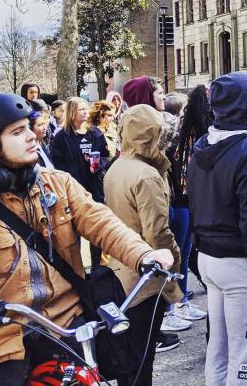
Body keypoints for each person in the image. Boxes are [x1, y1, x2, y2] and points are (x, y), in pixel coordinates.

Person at [0, 93, 174, 384]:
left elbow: (102, 223)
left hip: (65, 326)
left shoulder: (57, 183)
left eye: (28, 127)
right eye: (17, 132)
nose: (31, 136)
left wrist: (143, 253)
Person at [189, 72, 247, 386]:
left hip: (210, 259)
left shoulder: (203, 144)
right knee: (246, 359)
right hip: (243, 264)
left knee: (220, 349)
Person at [104, 105, 184, 386]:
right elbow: (158, 233)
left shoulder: (118, 166)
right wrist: (174, 263)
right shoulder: (146, 175)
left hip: (123, 268)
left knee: (131, 356)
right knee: (141, 358)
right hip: (145, 277)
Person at [164, 85, 208, 325]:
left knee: (185, 252)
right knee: (177, 254)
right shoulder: (176, 141)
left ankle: (181, 301)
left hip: (185, 202)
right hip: (178, 202)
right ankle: (173, 306)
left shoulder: (187, 137)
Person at [49, 97, 110, 266]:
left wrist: (97, 166)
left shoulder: (95, 133)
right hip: (72, 191)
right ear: (72, 112)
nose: (85, 112)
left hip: (94, 190)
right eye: (80, 109)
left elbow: (106, 155)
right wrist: (69, 175)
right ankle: (77, 271)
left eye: (86, 108)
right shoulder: (62, 136)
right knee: (73, 233)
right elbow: (56, 161)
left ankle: (98, 270)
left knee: (96, 230)